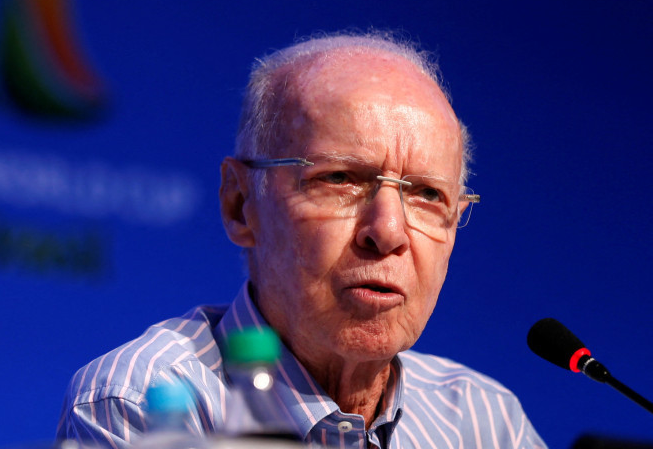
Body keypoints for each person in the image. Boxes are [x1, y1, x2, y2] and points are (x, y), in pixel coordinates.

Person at [57, 32, 544, 448]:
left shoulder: (486, 422)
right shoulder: (148, 405)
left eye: (427, 195)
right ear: (240, 205)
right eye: (341, 179)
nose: (389, 232)